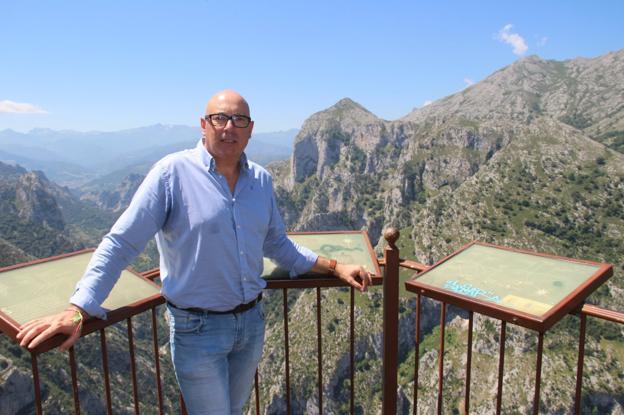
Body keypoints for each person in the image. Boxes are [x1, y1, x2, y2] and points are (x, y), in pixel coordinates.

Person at [17, 90, 372, 414]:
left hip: (250, 325)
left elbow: (276, 243)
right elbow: (121, 242)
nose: (229, 127)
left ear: (250, 130)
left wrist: (334, 266)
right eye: (220, 118)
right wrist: (79, 309)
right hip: (197, 330)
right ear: (204, 125)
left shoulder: (261, 180)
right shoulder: (171, 174)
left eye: (239, 120)